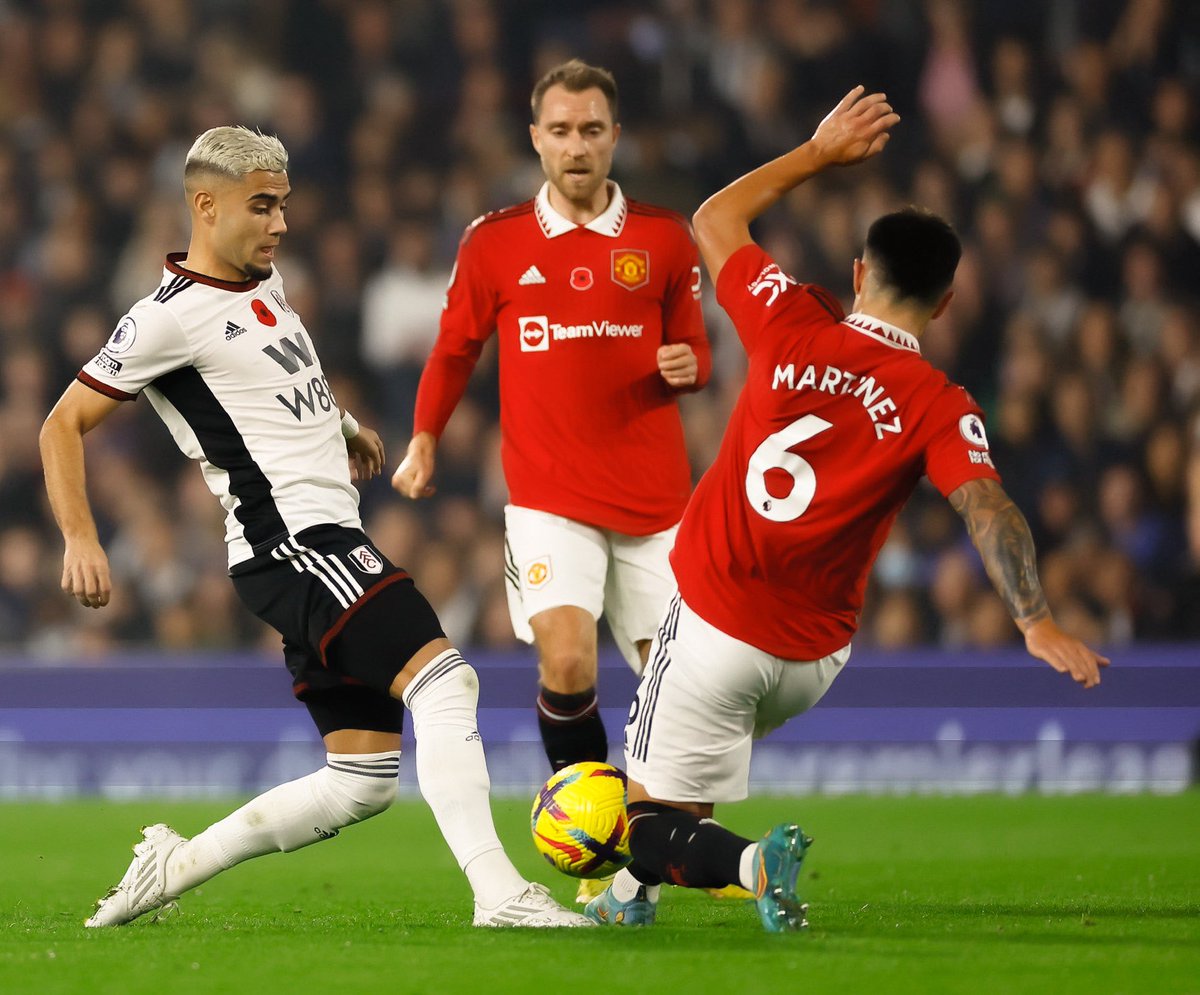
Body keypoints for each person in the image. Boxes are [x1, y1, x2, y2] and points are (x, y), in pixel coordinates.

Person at [583, 87, 1110, 932]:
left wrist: (817, 154)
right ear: (944, 304)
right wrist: (1035, 620)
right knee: (694, 774)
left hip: (718, 623)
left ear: (859, 275)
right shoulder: (941, 401)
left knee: (643, 823)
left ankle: (752, 864)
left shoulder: (791, 320)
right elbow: (989, 508)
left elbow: (713, 218)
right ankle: (629, 902)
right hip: (815, 661)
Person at [39, 126, 590, 930]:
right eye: (262, 207)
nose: (280, 224)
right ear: (205, 205)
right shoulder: (166, 319)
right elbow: (60, 424)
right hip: (294, 545)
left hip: (319, 538)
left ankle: (173, 863)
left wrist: (347, 422)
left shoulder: (266, 282)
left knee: (359, 779)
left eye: (284, 206)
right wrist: (80, 536)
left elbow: (279, 376)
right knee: (447, 679)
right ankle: (499, 892)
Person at [393, 60, 711, 775]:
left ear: (615, 137)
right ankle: (591, 820)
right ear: (536, 138)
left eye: (592, 130)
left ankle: (667, 844)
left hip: (655, 502)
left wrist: (691, 364)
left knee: (681, 687)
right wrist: (424, 438)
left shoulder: (664, 238)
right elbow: (453, 351)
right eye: (562, 130)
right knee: (567, 661)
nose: (577, 146)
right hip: (549, 499)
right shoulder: (494, 241)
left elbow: (695, 347)